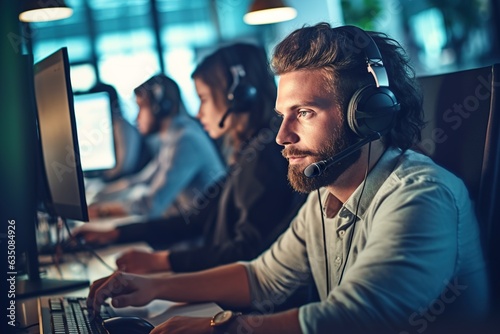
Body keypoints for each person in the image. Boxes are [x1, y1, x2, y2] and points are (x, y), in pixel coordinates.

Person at [87, 23, 490, 334]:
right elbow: (261, 277)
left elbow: (353, 316)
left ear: (369, 115)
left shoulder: (421, 197)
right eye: (283, 115)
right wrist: (152, 286)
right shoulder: (326, 196)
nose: (281, 136)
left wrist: (223, 329)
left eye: (305, 113)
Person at [77, 43, 305, 274]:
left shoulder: (264, 159)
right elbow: (195, 219)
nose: (198, 112)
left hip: (231, 283)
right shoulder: (248, 153)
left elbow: (247, 252)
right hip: (215, 269)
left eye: (204, 99)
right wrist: (116, 233)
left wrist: (161, 262)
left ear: (240, 97)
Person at [87, 74, 225, 220]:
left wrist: (102, 211)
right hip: (185, 223)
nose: (136, 118)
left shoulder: (185, 140)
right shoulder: (172, 137)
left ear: (159, 108)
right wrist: (99, 194)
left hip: (200, 232)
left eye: (140, 108)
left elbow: (151, 205)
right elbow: (142, 179)